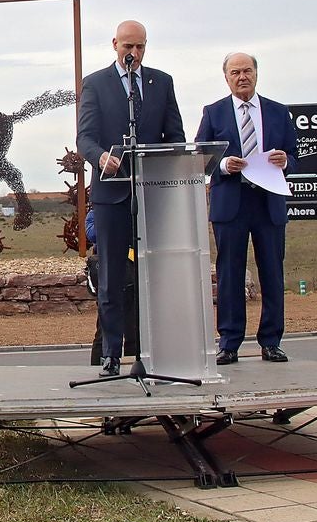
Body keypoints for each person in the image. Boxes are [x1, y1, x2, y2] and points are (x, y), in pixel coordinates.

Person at [77, 20, 185, 376]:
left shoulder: (161, 82)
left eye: (140, 47)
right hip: (111, 195)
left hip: (151, 193)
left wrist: (166, 161)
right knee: (111, 275)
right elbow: (85, 138)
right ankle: (111, 353)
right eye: (128, 47)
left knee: (154, 273)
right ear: (115, 45)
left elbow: (175, 136)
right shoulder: (96, 83)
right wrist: (100, 158)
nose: (134, 54)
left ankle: (153, 350)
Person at [195, 52, 297, 366]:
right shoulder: (214, 113)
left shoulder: (278, 112)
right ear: (226, 77)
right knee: (230, 274)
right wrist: (224, 164)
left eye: (247, 71)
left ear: (256, 73)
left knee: (272, 272)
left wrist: (286, 161)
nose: (242, 77)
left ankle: (271, 341)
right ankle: (229, 343)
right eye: (236, 72)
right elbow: (200, 157)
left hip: (268, 202)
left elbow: (295, 156)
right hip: (231, 203)